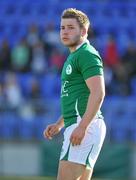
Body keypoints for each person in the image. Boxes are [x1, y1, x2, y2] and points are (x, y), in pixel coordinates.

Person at [43, 8, 106, 180]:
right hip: (79, 124)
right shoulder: (74, 56)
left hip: (85, 126)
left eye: (70, 27)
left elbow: (98, 93)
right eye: (62, 27)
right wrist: (59, 124)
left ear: (83, 31)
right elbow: (78, 98)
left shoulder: (86, 54)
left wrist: (83, 126)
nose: (64, 31)